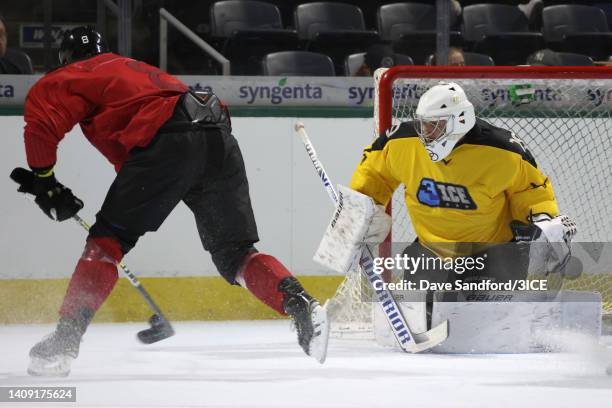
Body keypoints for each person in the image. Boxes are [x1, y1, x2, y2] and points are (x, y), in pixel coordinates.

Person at [12, 26, 329, 377]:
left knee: (106, 244)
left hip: (169, 142)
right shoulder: (132, 69)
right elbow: (135, 165)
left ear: (65, 58)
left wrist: (45, 182)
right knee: (236, 253)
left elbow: (41, 128)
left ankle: (64, 342)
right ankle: (300, 303)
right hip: (217, 138)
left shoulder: (67, 76)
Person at [315, 82, 576, 297]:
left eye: (434, 124)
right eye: (423, 124)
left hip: (492, 253)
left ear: (460, 119)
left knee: (490, 325)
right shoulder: (401, 142)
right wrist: (357, 215)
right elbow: (374, 175)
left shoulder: (504, 151)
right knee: (427, 310)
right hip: (429, 252)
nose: (425, 132)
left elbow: (531, 193)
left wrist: (542, 221)